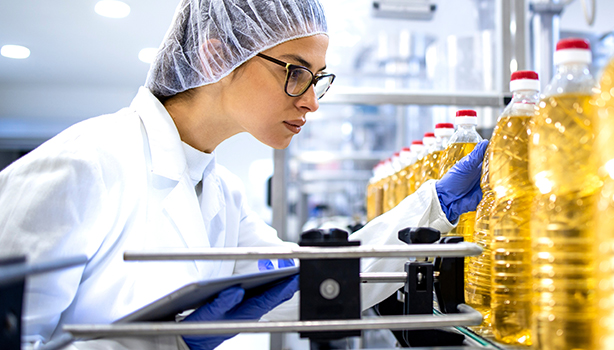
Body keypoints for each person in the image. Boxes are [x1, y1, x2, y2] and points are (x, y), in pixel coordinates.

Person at [0, 0, 488, 349]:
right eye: (296, 71)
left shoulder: (219, 192)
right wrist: (162, 345)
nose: (312, 100)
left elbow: (314, 287)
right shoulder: (84, 165)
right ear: (217, 56)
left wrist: (434, 207)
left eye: (318, 78)